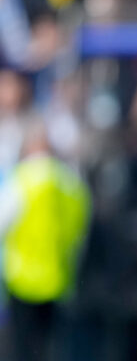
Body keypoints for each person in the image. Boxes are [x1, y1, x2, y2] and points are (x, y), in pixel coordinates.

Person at [0, 122, 91, 361]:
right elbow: (81, 230)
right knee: (51, 348)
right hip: (59, 278)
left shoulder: (22, 178)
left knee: (22, 349)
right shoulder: (71, 182)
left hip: (22, 279)